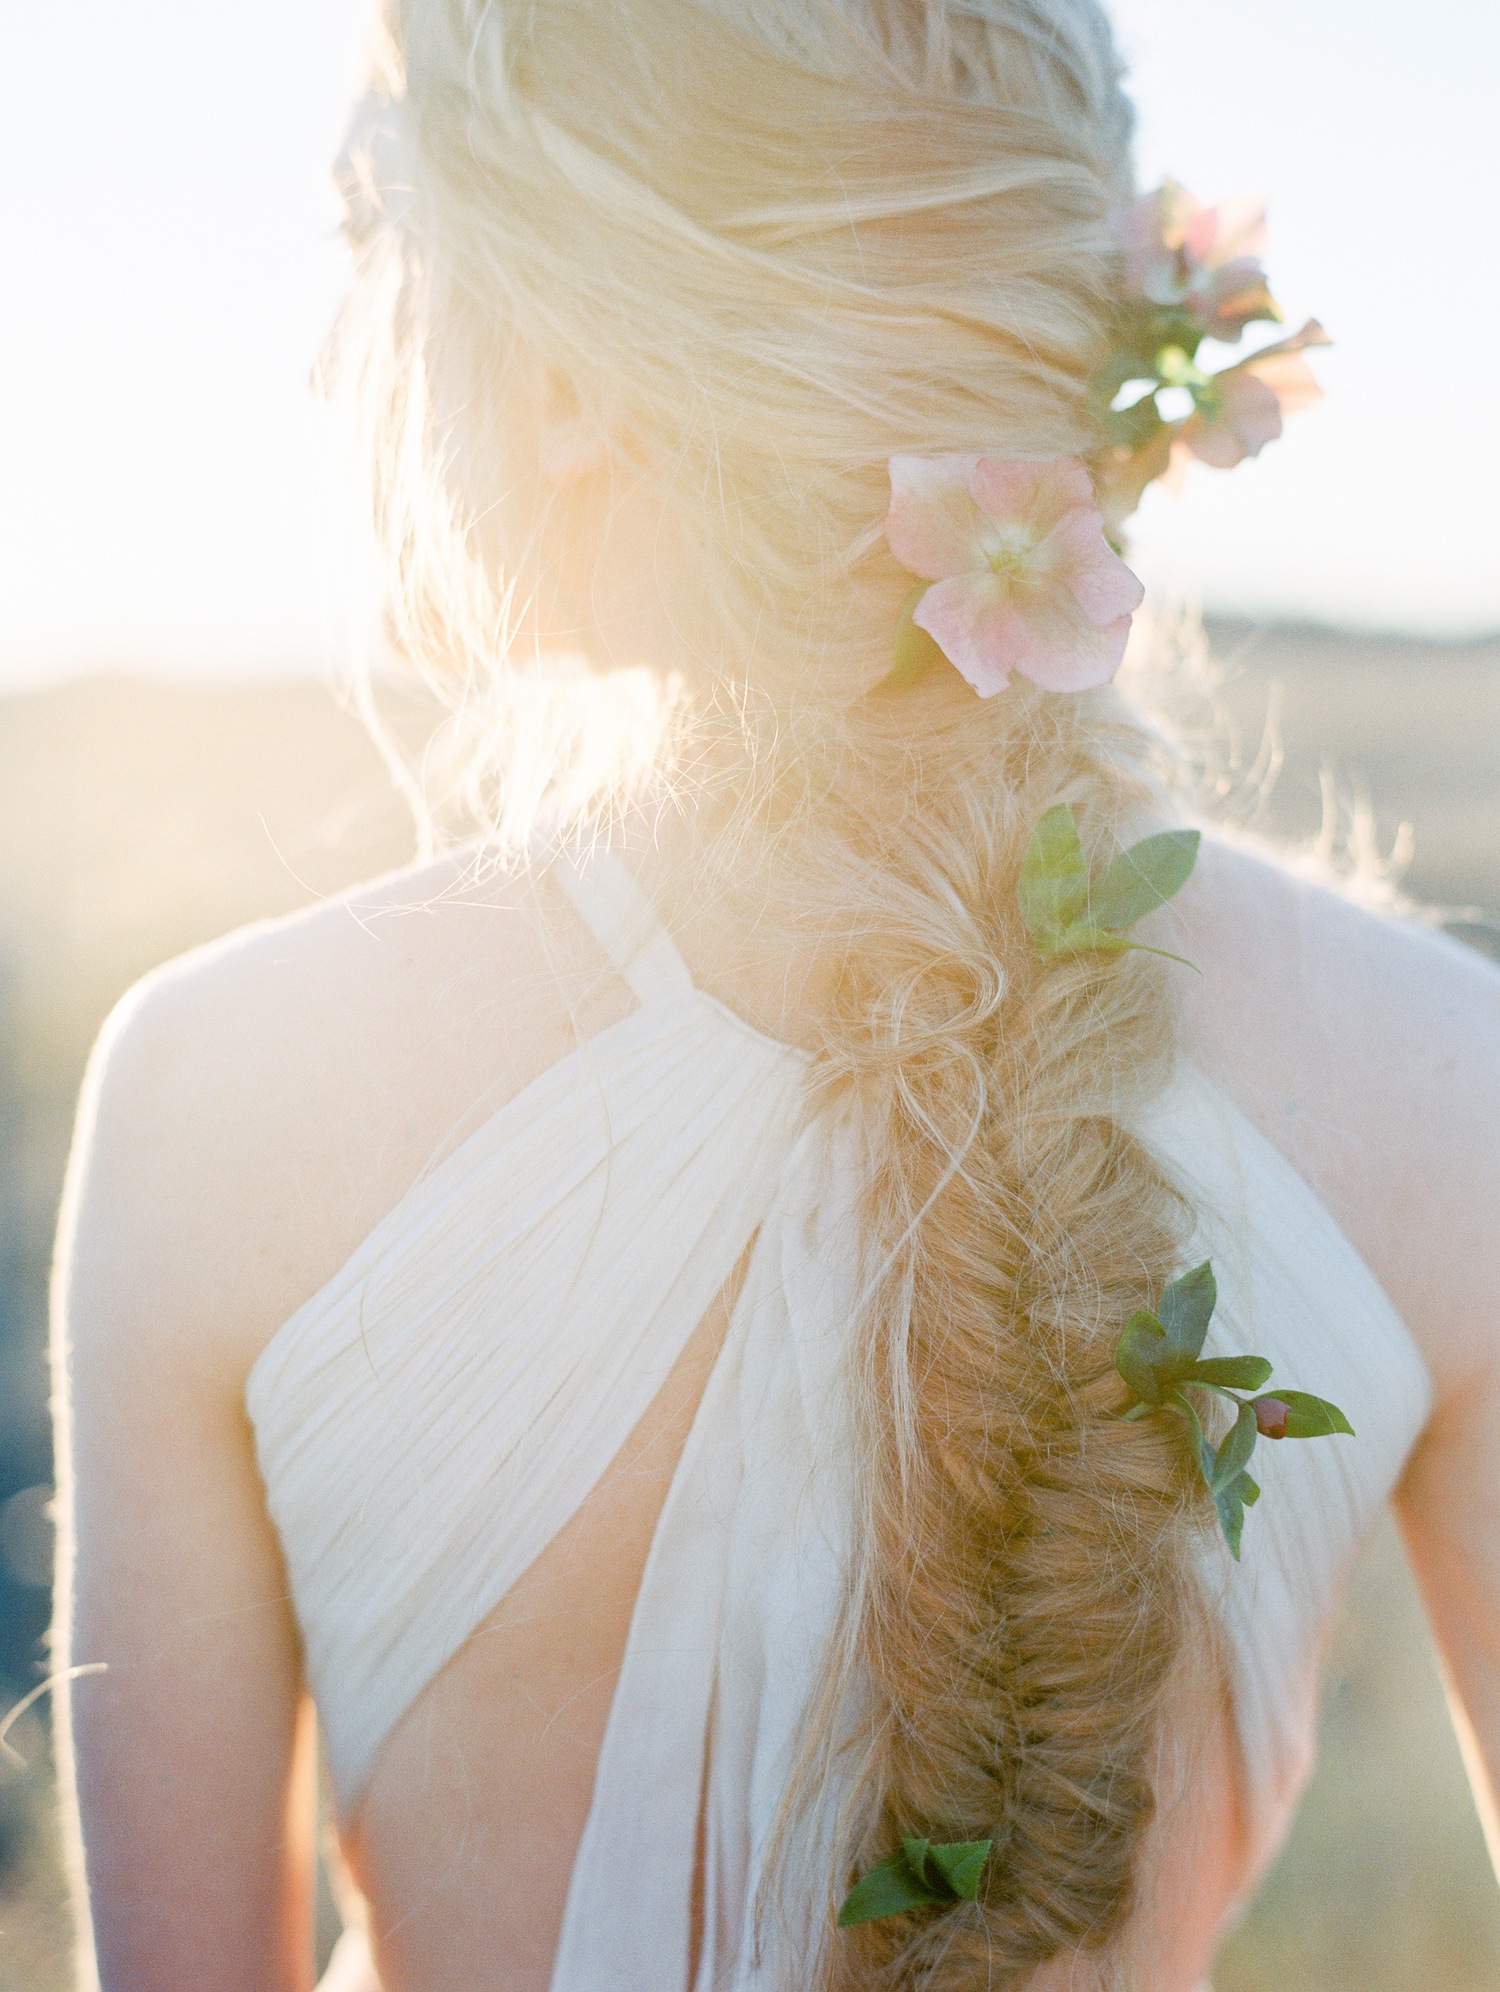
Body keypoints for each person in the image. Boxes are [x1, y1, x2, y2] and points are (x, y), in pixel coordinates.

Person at [48, 0, 1500, 1987]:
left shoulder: (223, 1104)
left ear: (568, 378)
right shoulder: (1441, 1090)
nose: (351, 329)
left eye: (379, 225)